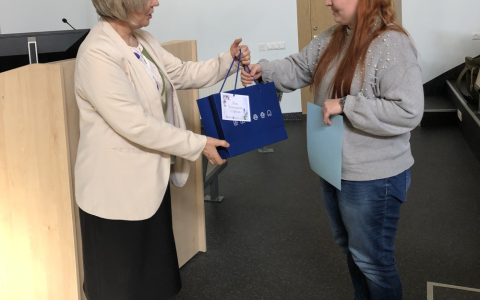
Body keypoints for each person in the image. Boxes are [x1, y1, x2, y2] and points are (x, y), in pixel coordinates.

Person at [242, 0, 423, 299]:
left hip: (373, 177)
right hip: (335, 167)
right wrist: (265, 70)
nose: (327, 1)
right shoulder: (334, 35)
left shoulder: (392, 43)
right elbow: (300, 67)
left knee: (373, 262)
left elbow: (408, 111)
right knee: (352, 250)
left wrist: (346, 104)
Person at [74, 0, 250, 299]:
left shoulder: (141, 40)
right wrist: (198, 143)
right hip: (115, 190)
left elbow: (180, 74)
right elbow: (136, 125)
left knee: (152, 279)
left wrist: (227, 60)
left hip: (148, 181)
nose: (156, 2)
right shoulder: (98, 53)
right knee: (121, 284)